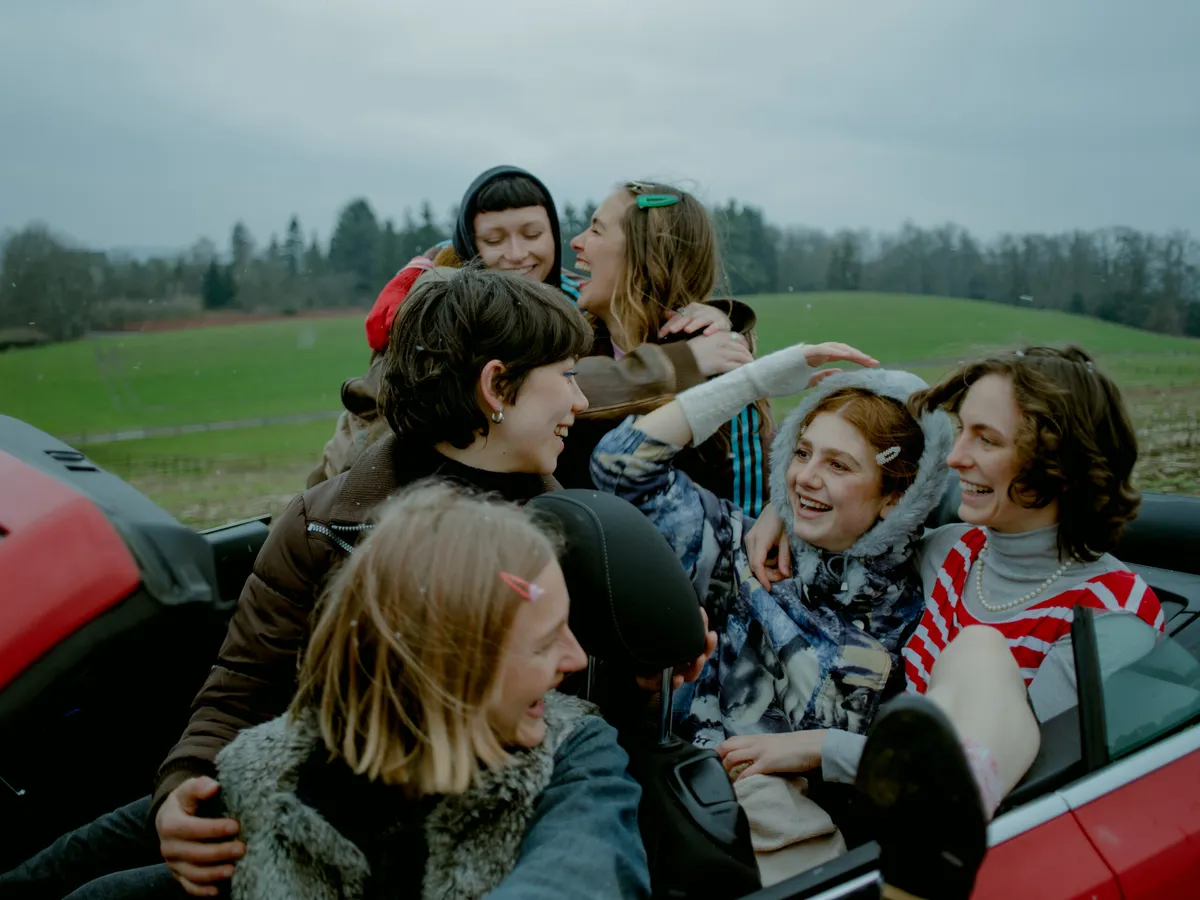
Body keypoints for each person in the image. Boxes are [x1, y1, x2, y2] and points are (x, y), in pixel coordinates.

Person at [0, 267, 591, 899]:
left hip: (391, 829)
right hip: (288, 774)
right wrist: (182, 788)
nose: (581, 401)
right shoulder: (321, 521)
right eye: (568, 375)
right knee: (46, 873)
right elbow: (243, 686)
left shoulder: (573, 540)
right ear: (496, 385)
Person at [731, 345, 1165, 900]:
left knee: (980, 650)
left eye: (986, 439)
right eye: (961, 431)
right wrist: (780, 513)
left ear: (1060, 460)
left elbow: (1031, 779)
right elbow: (847, 509)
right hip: (884, 822)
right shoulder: (949, 550)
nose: (956, 457)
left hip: (991, 855)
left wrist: (823, 748)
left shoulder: (1110, 610)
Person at [212, 480, 650, 899]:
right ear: (450, 667)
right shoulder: (263, 776)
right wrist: (171, 807)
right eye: (544, 643)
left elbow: (582, 873)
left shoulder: (576, 757)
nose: (575, 660)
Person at [588, 339, 954, 747]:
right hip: (683, 791)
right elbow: (622, 465)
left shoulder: (924, 617)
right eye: (801, 452)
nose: (805, 477)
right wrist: (753, 382)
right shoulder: (742, 549)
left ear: (897, 495)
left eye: (838, 464)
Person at [311, 167, 751, 490]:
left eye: (533, 233)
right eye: (494, 240)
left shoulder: (575, 322)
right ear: (468, 248)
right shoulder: (449, 314)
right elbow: (529, 392)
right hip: (375, 495)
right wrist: (674, 365)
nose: (516, 254)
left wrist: (726, 325)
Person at [561, 180, 772, 515]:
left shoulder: (719, 366)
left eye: (597, 231)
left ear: (644, 256)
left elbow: (748, 514)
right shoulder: (574, 342)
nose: (576, 242)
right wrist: (678, 364)